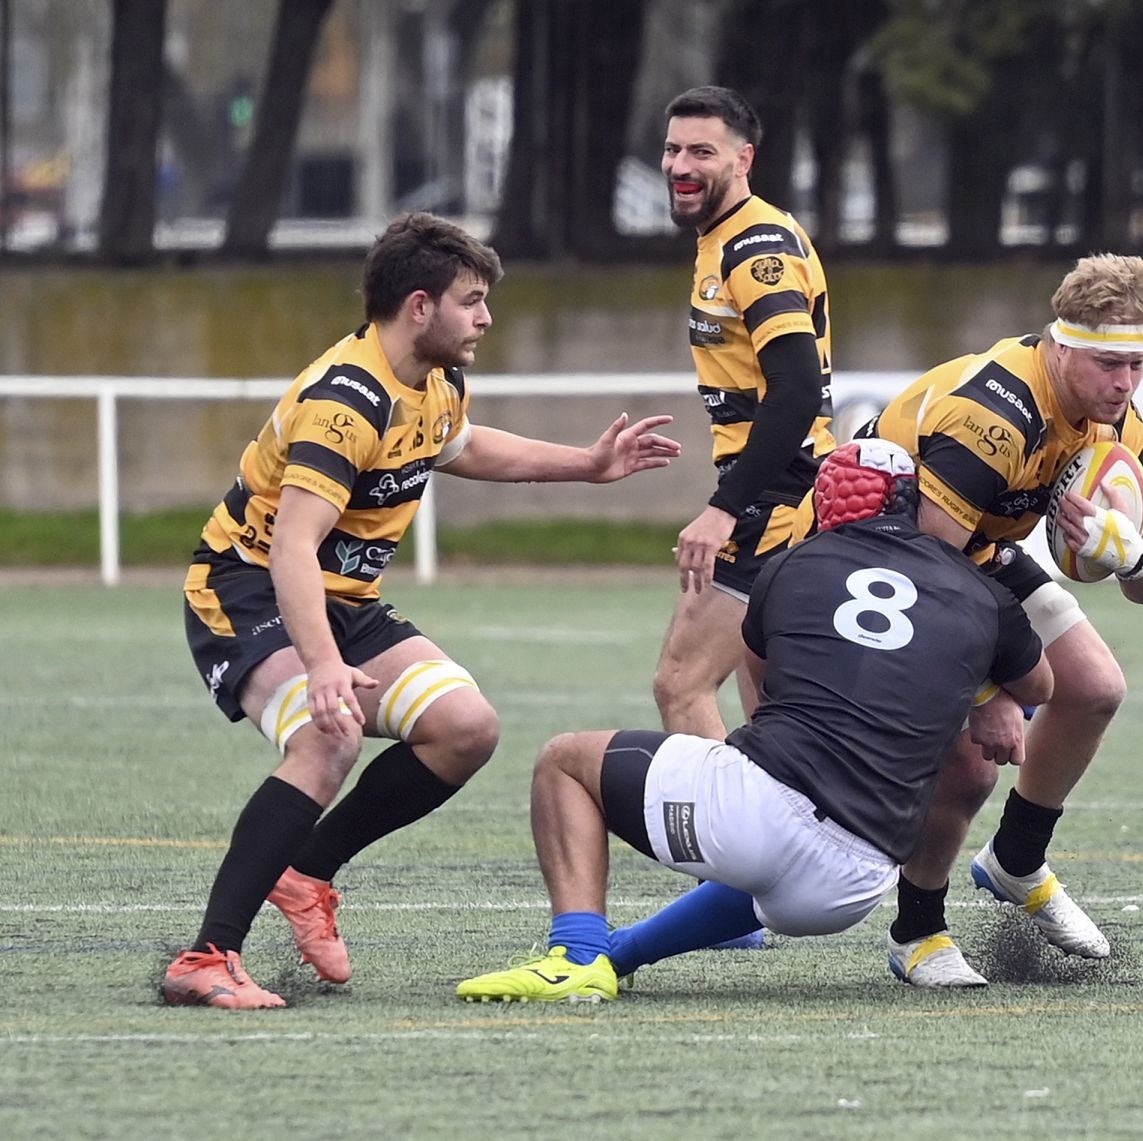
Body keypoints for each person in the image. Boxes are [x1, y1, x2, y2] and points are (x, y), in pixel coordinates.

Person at [162, 213, 682, 1009]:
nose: (486, 318)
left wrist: (585, 464)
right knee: (326, 735)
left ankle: (306, 874)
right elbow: (292, 545)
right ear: (418, 306)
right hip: (248, 592)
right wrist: (326, 665)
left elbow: (463, 446)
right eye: (471, 301)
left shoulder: (435, 382)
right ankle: (206, 955)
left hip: (345, 600)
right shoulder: (346, 401)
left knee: (466, 728)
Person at [455, 440, 1052, 1002]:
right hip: (855, 885)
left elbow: (766, 676)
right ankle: (621, 956)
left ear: (826, 501)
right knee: (766, 863)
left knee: (564, 761)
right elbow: (1041, 686)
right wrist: (987, 689)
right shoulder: (982, 593)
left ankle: (577, 959)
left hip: (760, 814)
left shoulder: (792, 565)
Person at [859, 253, 1143, 987]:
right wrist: (989, 694)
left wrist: (1127, 555)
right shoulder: (996, 415)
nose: (1124, 385)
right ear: (1059, 346)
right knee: (971, 760)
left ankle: (1017, 858)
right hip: (877, 557)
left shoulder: (1118, 421)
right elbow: (929, 568)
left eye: (1138, 366)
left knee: (1094, 687)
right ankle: (917, 932)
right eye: (1106, 364)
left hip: (972, 552)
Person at [652, 85, 835, 741]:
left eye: (702, 151)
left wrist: (726, 505)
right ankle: (787, 837)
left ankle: (729, 840)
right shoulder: (727, 238)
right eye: (672, 149)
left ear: (744, 159)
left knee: (681, 683)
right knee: (774, 709)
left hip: (775, 497)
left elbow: (796, 389)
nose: (680, 166)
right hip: (789, 490)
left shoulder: (754, 250)